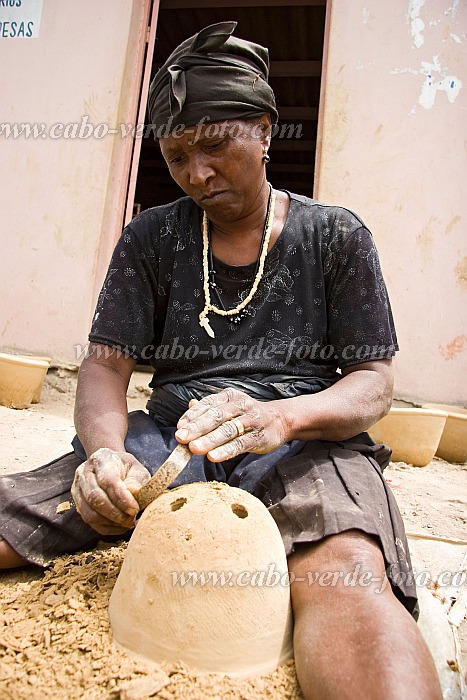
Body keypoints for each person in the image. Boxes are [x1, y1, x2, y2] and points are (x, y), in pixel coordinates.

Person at [0, 21, 441, 700]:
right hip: (174, 436)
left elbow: (373, 383)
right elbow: (105, 366)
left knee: (346, 571)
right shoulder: (151, 237)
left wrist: (284, 418)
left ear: (264, 131)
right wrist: (104, 453)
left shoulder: (335, 236)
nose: (197, 174)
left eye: (213, 146)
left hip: (305, 438)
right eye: (176, 156)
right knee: (25, 515)